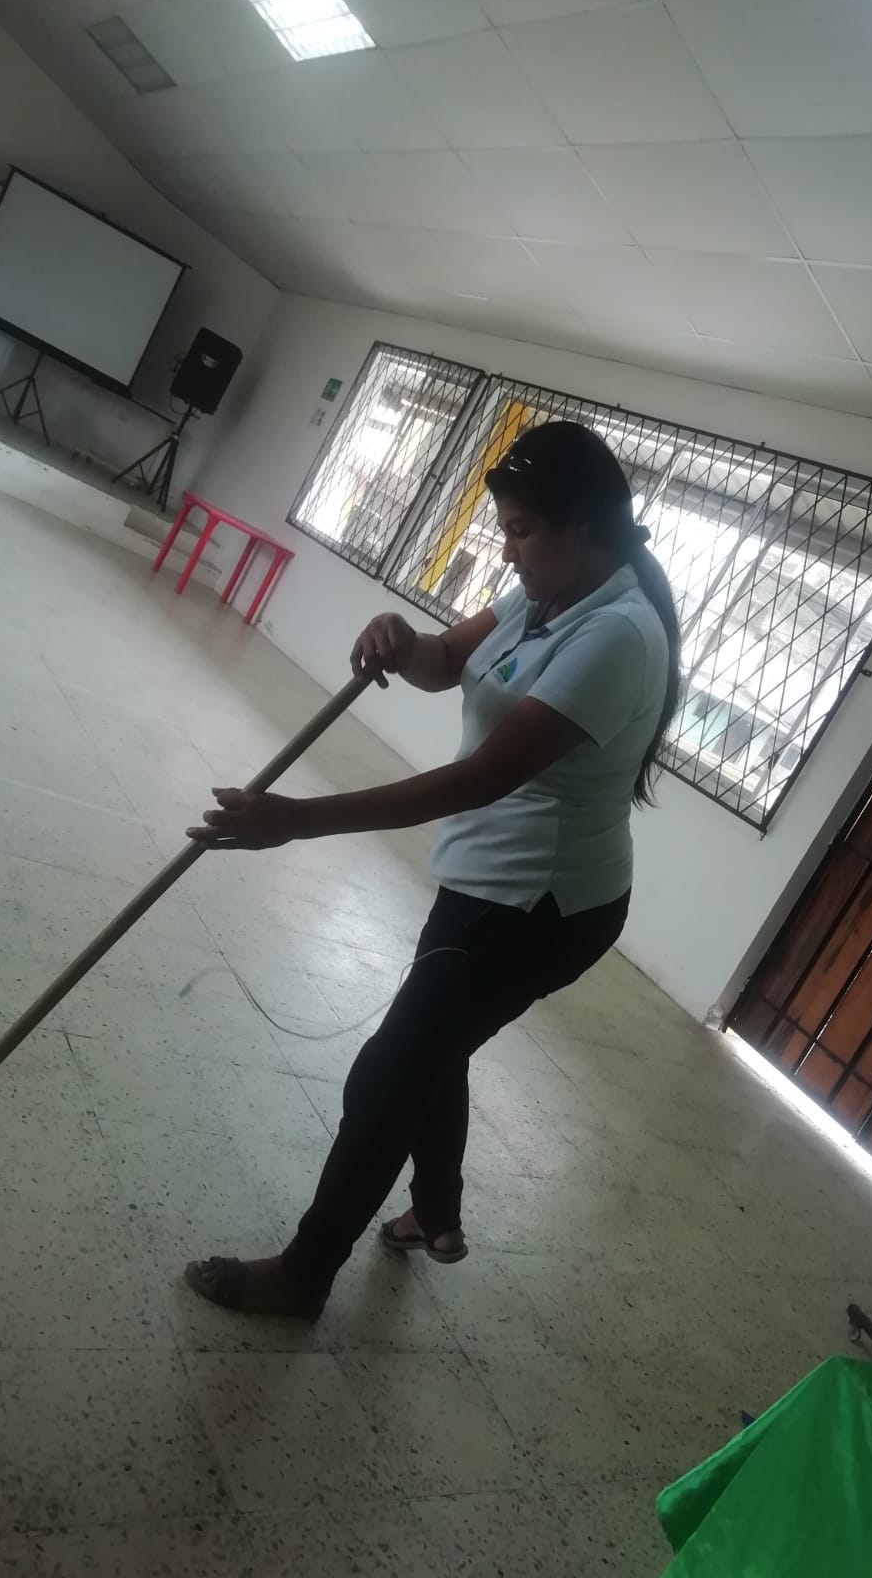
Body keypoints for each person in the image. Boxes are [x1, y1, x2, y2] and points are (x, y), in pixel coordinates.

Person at [184, 420, 681, 1316]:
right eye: (505, 529)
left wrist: (298, 820)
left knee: (389, 1074)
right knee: (436, 1047)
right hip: (486, 878)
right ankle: (436, 1213)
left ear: (580, 527)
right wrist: (399, 638)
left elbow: (481, 777)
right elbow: (447, 660)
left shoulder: (618, 634)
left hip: (537, 908)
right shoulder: (543, 590)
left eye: (520, 529)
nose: (507, 549)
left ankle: (304, 1276)